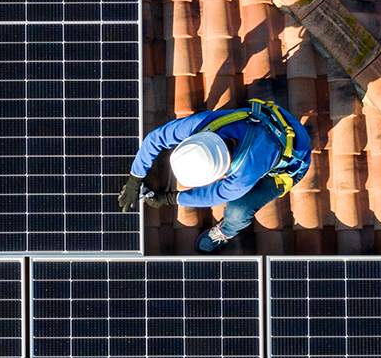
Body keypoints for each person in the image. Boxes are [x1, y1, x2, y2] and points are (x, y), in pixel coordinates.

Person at [116, 82, 312, 252]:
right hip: (272, 119)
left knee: (238, 211)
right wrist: (135, 178)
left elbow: (215, 195)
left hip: (293, 161)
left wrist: (170, 198)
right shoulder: (201, 124)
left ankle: (225, 232)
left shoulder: (244, 173)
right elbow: (155, 138)